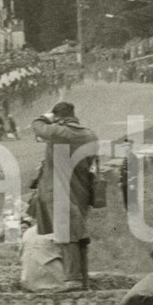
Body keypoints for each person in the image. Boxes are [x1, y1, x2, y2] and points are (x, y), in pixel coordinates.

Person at [29, 101, 98, 291]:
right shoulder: (89, 134)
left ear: (58, 117)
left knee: (66, 233)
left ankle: (73, 279)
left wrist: (45, 117)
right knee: (78, 233)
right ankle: (82, 278)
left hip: (61, 188)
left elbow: (36, 126)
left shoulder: (60, 133)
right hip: (82, 187)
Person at [118, 138, 139, 213]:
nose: (124, 148)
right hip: (124, 181)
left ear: (130, 147)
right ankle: (127, 209)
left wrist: (132, 183)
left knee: (132, 197)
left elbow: (135, 171)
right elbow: (122, 170)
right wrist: (120, 181)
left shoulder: (134, 157)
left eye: (126, 146)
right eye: (124, 147)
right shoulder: (125, 157)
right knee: (125, 195)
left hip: (130, 182)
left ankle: (134, 211)